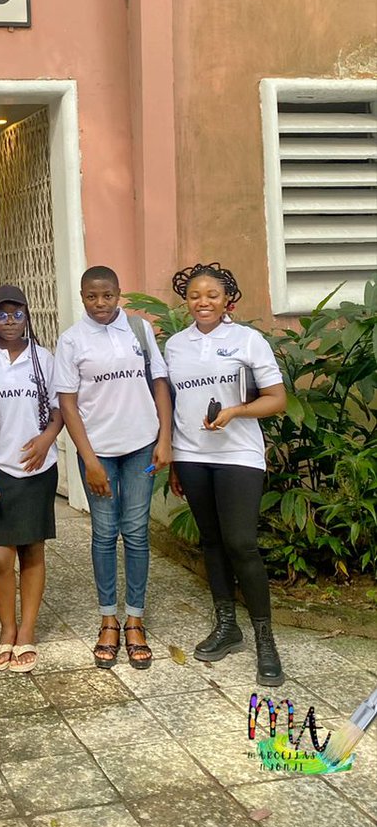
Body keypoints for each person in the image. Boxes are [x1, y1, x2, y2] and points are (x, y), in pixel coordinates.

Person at [167, 262, 287, 685]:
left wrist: (236, 411)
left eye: (212, 295)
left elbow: (276, 400)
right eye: (195, 296)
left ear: (227, 300)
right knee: (213, 542)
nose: (203, 302)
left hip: (238, 453)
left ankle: (265, 641)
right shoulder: (175, 347)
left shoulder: (247, 340)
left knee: (241, 543)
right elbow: (173, 403)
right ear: (187, 301)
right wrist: (174, 460)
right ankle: (226, 626)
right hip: (192, 455)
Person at [56, 266, 172, 669]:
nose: (100, 303)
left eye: (107, 296)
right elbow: (68, 403)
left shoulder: (138, 331)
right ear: (83, 297)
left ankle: (135, 620)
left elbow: (159, 383)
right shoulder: (72, 340)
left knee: (136, 533)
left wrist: (164, 439)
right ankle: (108, 618)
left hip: (142, 446)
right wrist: (88, 461)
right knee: (105, 533)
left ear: (119, 293)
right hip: (98, 452)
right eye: (92, 296)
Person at [0, 285, 63, 674]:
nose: (10, 322)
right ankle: (5, 629)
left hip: (37, 470)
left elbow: (61, 409)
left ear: (27, 316)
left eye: (17, 314)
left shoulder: (44, 359)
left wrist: (46, 440)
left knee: (32, 550)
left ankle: (25, 632)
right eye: (1, 314)